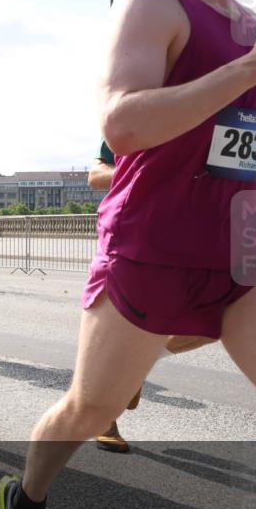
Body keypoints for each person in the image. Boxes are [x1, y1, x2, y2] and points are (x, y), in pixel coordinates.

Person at [0, 0, 256, 509]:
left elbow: (221, 139)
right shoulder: (153, 1)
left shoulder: (250, 25)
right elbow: (123, 121)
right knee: (86, 408)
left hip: (247, 254)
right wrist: (254, 68)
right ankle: (26, 497)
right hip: (154, 250)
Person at [89, 142, 217, 453]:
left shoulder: (222, 113)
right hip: (135, 238)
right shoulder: (139, 110)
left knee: (218, 319)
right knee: (117, 331)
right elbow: (96, 174)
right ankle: (105, 419)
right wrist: (148, 172)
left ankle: (139, 365)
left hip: (199, 234)